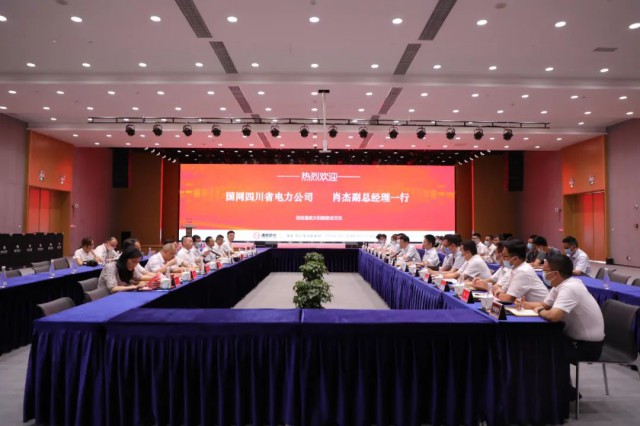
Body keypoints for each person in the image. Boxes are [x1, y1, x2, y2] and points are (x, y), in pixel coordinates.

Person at [518, 254, 605, 398]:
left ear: (555, 274)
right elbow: (544, 304)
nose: (543, 274)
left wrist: (539, 311)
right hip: (574, 340)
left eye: (545, 271)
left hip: (587, 346)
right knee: (538, 344)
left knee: (541, 350)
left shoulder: (569, 288)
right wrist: (523, 304)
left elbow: (553, 315)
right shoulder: (560, 284)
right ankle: (555, 389)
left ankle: (561, 392)